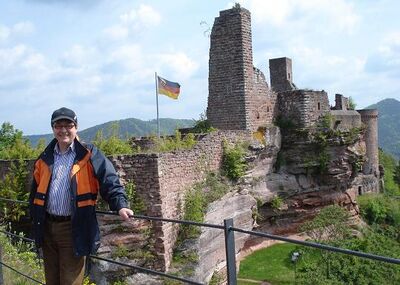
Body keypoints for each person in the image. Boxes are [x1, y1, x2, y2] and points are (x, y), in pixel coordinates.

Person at [29, 107, 133, 285]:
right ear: (53, 129)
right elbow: (35, 193)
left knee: (70, 281)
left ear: (76, 127)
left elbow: (109, 180)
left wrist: (120, 204)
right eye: (58, 125)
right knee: (51, 280)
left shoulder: (88, 154)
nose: (63, 130)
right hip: (46, 228)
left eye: (68, 125)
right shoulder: (44, 158)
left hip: (73, 228)